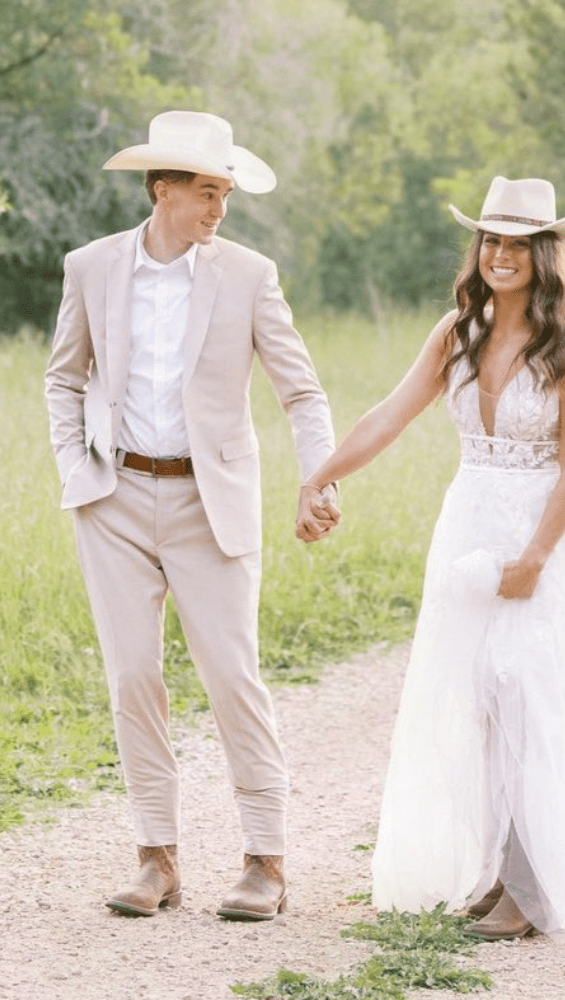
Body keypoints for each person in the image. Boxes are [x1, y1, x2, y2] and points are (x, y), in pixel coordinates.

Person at [295, 176, 565, 943]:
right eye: (490, 240)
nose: (500, 254)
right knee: (480, 705)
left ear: (545, 257)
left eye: (518, 244)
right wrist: (323, 474)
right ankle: (502, 872)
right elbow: (392, 413)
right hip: (467, 525)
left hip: (543, 537)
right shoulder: (455, 334)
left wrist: (533, 557)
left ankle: (532, 892)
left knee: (534, 701)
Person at [45, 110, 340, 921]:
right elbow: (64, 377)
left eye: (226, 193)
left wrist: (322, 480)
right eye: (206, 191)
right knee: (133, 676)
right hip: (113, 500)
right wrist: (77, 467)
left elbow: (302, 391)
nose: (219, 209)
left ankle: (265, 861)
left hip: (213, 503)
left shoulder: (249, 274)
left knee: (231, 676)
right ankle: (156, 858)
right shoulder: (91, 267)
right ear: (160, 188)